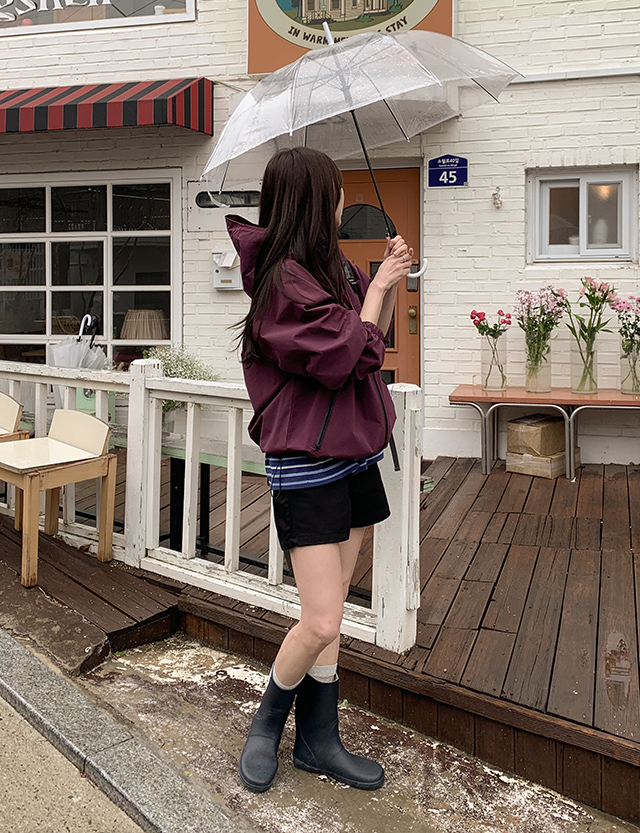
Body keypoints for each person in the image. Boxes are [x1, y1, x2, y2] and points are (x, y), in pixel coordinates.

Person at [226, 147, 413, 793]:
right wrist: (380, 288)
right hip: (307, 463)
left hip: (355, 453)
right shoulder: (281, 283)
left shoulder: (334, 268)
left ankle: (319, 739)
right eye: (334, 191)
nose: (341, 202)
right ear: (312, 198)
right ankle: (266, 723)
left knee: (333, 608)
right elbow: (342, 356)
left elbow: (373, 346)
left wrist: (386, 281)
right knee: (323, 618)